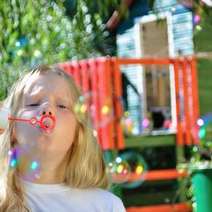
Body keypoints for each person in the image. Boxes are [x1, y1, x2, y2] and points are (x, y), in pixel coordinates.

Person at [0, 65, 126, 212]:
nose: (47, 109)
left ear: (77, 134)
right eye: (33, 103)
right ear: (12, 127)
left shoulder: (106, 206)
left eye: (62, 106)